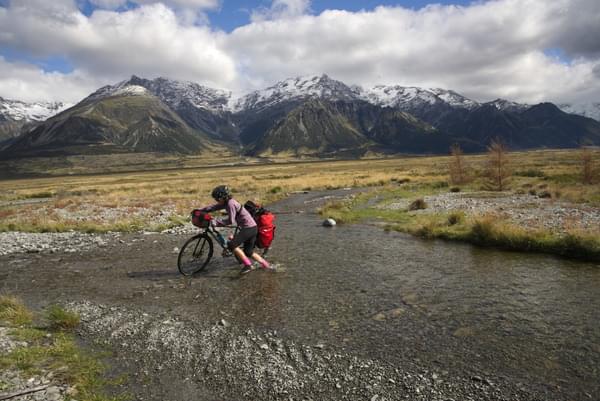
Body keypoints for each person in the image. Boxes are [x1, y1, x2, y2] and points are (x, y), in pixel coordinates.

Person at [200, 185, 273, 274]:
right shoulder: (226, 202)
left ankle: (248, 265)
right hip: (252, 228)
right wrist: (200, 210)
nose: (217, 201)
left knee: (232, 245)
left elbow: (231, 220)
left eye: (217, 199)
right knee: (248, 252)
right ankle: (267, 265)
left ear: (223, 197)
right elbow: (213, 207)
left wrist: (215, 222)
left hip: (248, 228)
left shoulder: (231, 204)